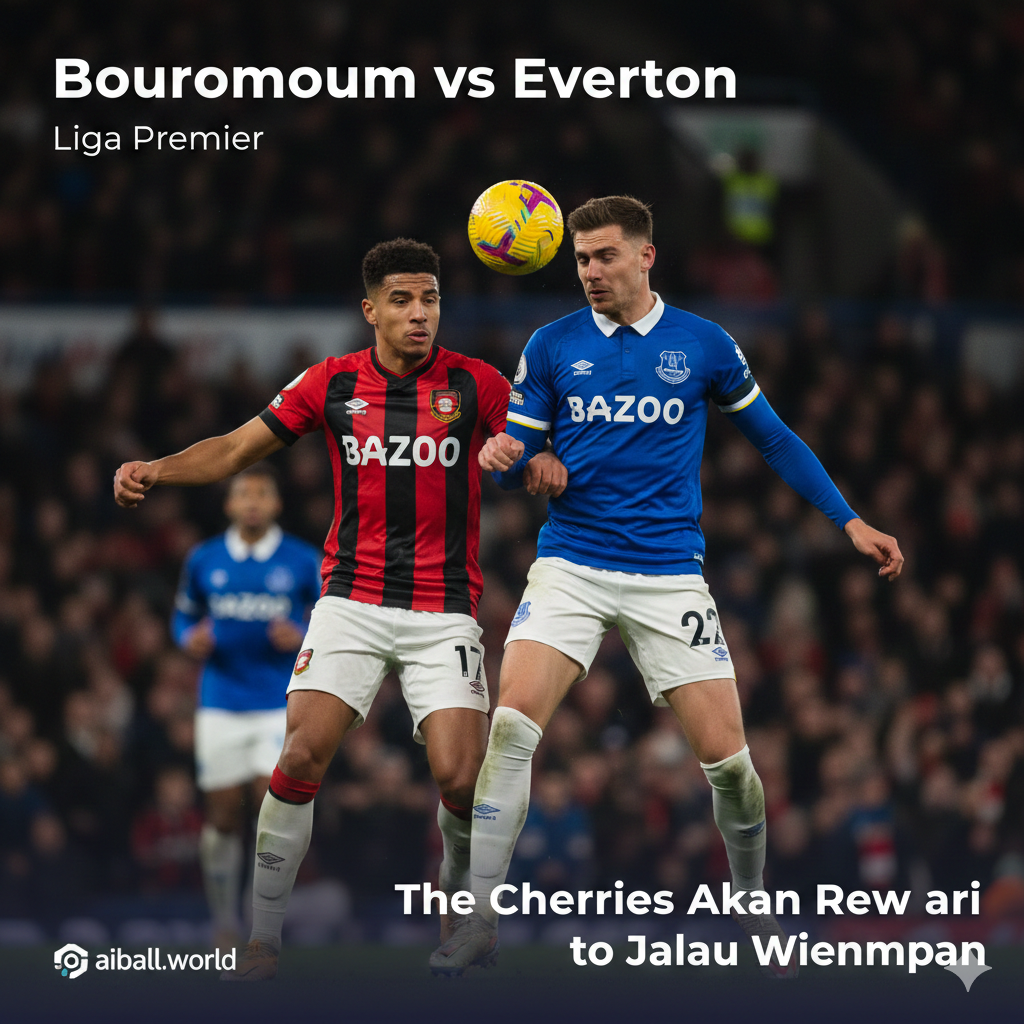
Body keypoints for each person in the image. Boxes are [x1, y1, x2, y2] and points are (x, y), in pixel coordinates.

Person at [430, 196, 904, 978]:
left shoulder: (704, 343)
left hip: (668, 575)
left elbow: (775, 439)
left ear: (646, 256)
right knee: (509, 728)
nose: (590, 271)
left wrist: (848, 521)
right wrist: (513, 462)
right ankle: (479, 919)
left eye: (605, 255)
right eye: (581, 259)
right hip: (572, 566)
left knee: (732, 769)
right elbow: (519, 455)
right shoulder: (551, 345)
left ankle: (750, 904)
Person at [113, 238, 567, 980]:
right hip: (350, 601)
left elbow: (532, 447)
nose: (419, 314)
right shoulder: (331, 382)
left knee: (460, 779)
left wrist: (531, 458)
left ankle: (459, 915)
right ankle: (262, 938)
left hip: (443, 609)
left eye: (430, 299)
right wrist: (154, 470)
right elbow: (233, 449)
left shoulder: (475, 383)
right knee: (298, 758)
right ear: (370, 310)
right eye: (402, 300)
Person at [172, 464, 322, 949]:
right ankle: (224, 922)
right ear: (230, 504)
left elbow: (331, 618)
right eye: (244, 493)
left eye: (262, 493)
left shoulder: (302, 559)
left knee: (269, 811)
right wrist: (187, 639)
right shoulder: (204, 559)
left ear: (276, 503)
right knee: (221, 817)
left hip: (278, 702)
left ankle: (263, 924)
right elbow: (183, 616)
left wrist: (302, 635)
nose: (252, 501)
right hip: (219, 701)